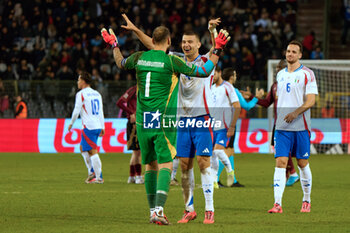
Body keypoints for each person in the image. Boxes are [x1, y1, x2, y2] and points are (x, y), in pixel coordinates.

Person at [101, 25, 230, 225]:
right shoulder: (174, 60)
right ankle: (186, 209)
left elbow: (151, 48)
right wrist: (136, 30)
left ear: (198, 44)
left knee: (200, 164)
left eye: (190, 42)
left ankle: (208, 210)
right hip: (175, 120)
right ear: (173, 43)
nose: (186, 45)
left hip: (195, 118)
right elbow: (156, 45)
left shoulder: (200, 59)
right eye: (184, 41)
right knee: (180, 166)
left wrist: (117, 43)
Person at [268, 40, 318, 213]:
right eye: (288, 51)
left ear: (300, 55)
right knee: (280, 162)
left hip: (301, 127)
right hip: (282, 127)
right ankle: (277, 204)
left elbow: (311, 100)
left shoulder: (307, 74)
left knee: (302, 163)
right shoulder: (280, 74)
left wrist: (296, 113)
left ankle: (306, 199)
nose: (290, 54)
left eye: (294, 52)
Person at [242, 59, 300, 187]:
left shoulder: (294, 83)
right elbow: (267, 103)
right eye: (277, 68)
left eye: (281, 68)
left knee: (281, 150)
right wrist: (253, 97)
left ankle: (293, 173)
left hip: (289, 121)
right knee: (278, 150)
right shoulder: (275, 85)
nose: (278, 70)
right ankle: (287, 177)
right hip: (278, 122)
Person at [215, 68, 264, 188]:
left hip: (218, 122)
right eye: (235, 74)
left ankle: (233, 180)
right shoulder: (232, 89)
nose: (236, 77)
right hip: (229, 124)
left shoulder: (219, 88)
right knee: (226, 152)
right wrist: (256, 98)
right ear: (232, 77)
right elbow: (246, 106)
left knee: (230, 152)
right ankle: (214, 178)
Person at [68, 72, 105, 184]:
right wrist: (103, 126)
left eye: (79, 80)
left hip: (89, 126)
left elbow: (76, 110)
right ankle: (92, 172)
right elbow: (101, 111)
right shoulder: (97, 94)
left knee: (92, 151)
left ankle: (98, 177)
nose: (78, 82)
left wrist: (71, 123)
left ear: (84, 81)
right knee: (82, 148)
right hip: (97, 125)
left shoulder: (81, 94)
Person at [210, 66, 241, 189]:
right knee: (212, 154)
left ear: (219, 73)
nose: (212, 77)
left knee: (217, 151)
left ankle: (229, 170)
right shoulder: (211, 88)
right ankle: (214, 182)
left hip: (224, 126)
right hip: (212, 126)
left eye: (214, 74)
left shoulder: (228, 87)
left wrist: (232, 126)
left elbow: (237, 106)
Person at [116, 85, 144, 184]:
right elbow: (120, 102)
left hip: (141, 122)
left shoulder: (143, 88)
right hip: (134, 124)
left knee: (136, 152)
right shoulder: (133, 90)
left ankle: (132, 177)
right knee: (137, 151)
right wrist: (132, 112)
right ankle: (138, 176)